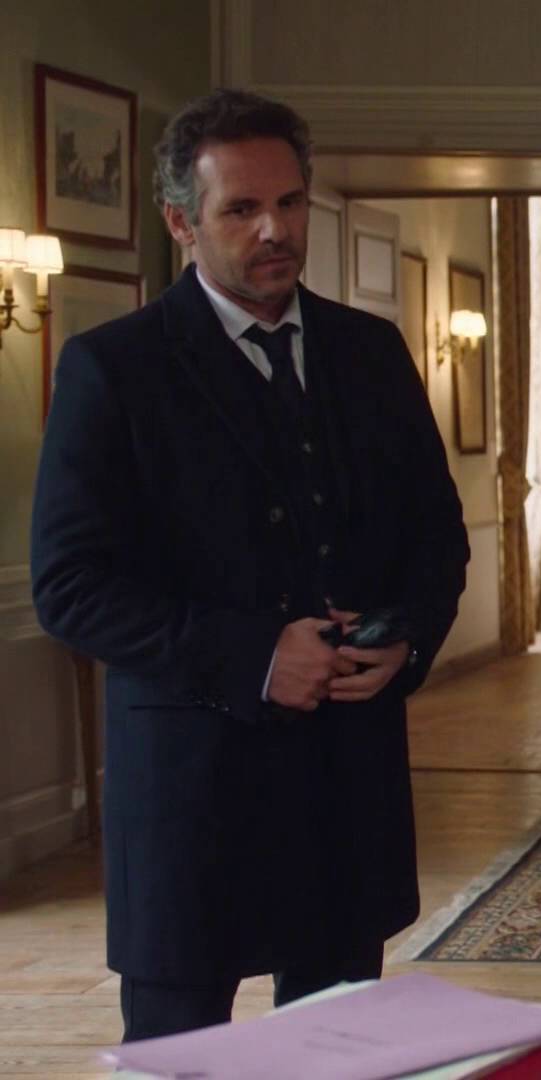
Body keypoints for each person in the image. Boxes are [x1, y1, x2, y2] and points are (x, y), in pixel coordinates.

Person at [30, 88, 469, 1040]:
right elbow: (68, 587)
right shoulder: (114, 368)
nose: (275, 229)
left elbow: (437, 537)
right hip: (191, 799)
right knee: (181, 1059)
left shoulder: (372, 351)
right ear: (181, 222)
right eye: (241, 209)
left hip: (346, 790)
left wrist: (406, 639)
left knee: (340, 1054)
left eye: (290, 202)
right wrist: (256, 655)